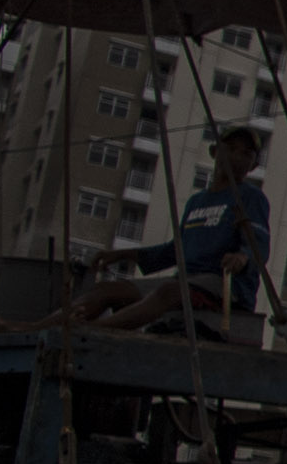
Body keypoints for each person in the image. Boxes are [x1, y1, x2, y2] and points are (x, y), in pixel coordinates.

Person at [49, 126, 271, 337]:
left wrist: (242, 257)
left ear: (253, 165)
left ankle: (90, 330)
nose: (237, 157)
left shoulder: (251, 198)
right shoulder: (196, 201)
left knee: (169, 291)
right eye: (231, 148)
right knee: (107, 290)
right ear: (214, 152)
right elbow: (175, 251)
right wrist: (123, 254)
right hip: (186, 281)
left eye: (246, 154)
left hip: (224, 287)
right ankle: (43, 328)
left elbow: (258, 243)